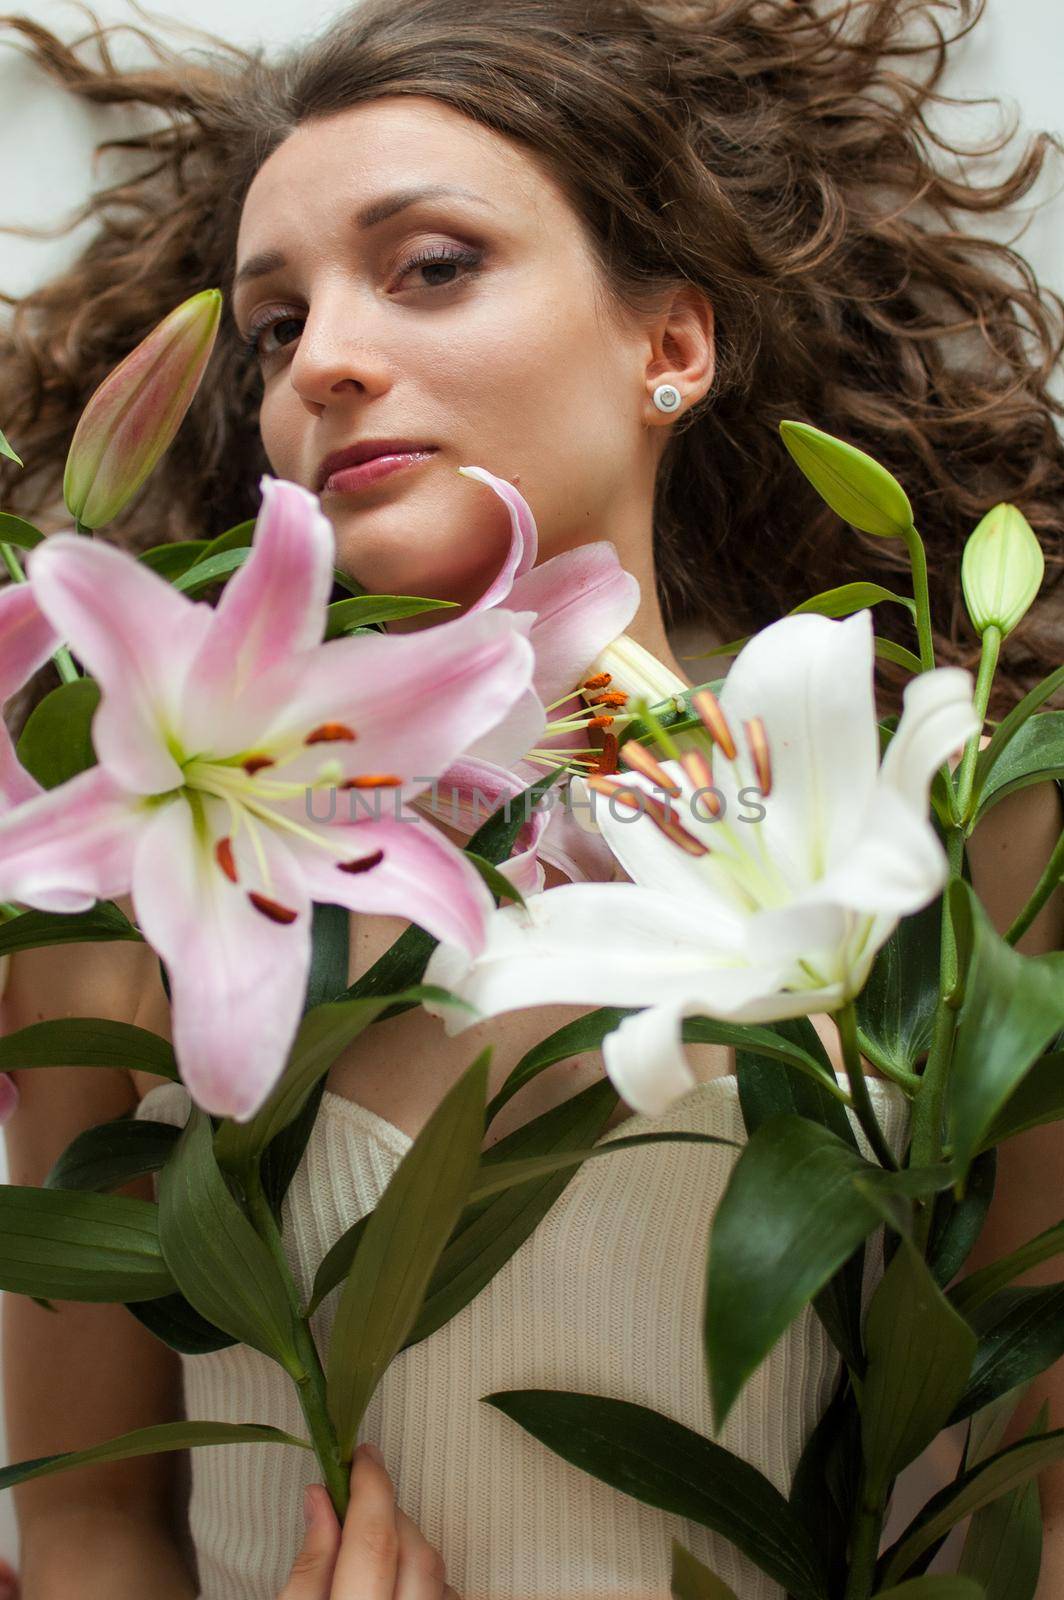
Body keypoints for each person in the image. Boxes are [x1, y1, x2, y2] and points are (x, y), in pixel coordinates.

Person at [1, 0, 1063, 1595]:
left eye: (430, 266)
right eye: (276, 328)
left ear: (673, 346)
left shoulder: (961, 825)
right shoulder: (124, 893)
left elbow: (1033, 1496)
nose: (327, 364)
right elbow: (90, 1522)